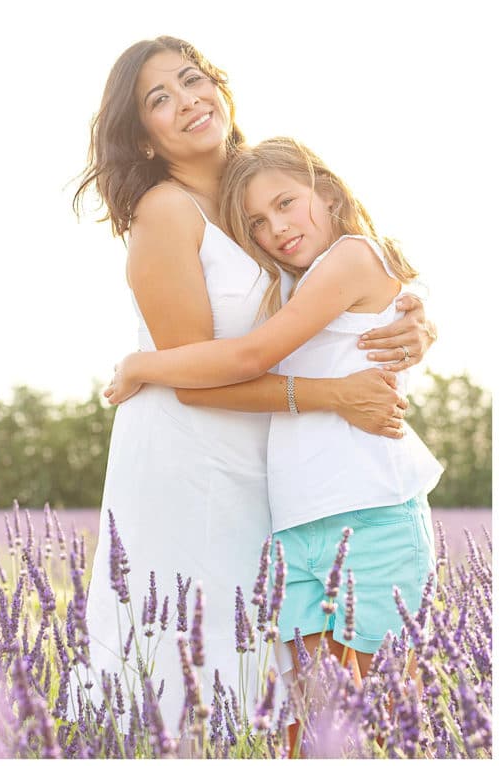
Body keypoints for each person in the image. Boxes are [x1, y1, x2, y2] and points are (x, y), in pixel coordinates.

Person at [70, 37, 437, 731]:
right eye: (159, 99)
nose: (187, 103)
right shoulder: (166, 209)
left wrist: (417, 323)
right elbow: (197, 378)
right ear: (143, 137)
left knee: (272, 681)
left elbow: (356, 262)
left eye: (191, 80)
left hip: (280, 467)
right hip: (191, 456)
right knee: (187, 661)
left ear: (219, 84)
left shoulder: (260, 186)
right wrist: (332, 397)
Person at [104, 136, 443, 680]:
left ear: (328, 194)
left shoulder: (351, 255)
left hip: (372, 510)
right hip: (296, 520)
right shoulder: (296, 281)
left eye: (286, 203)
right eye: (256, 222)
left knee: (390, 709)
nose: (276, 228)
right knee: (315, 721)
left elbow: (254, 355)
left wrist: (141, 365)